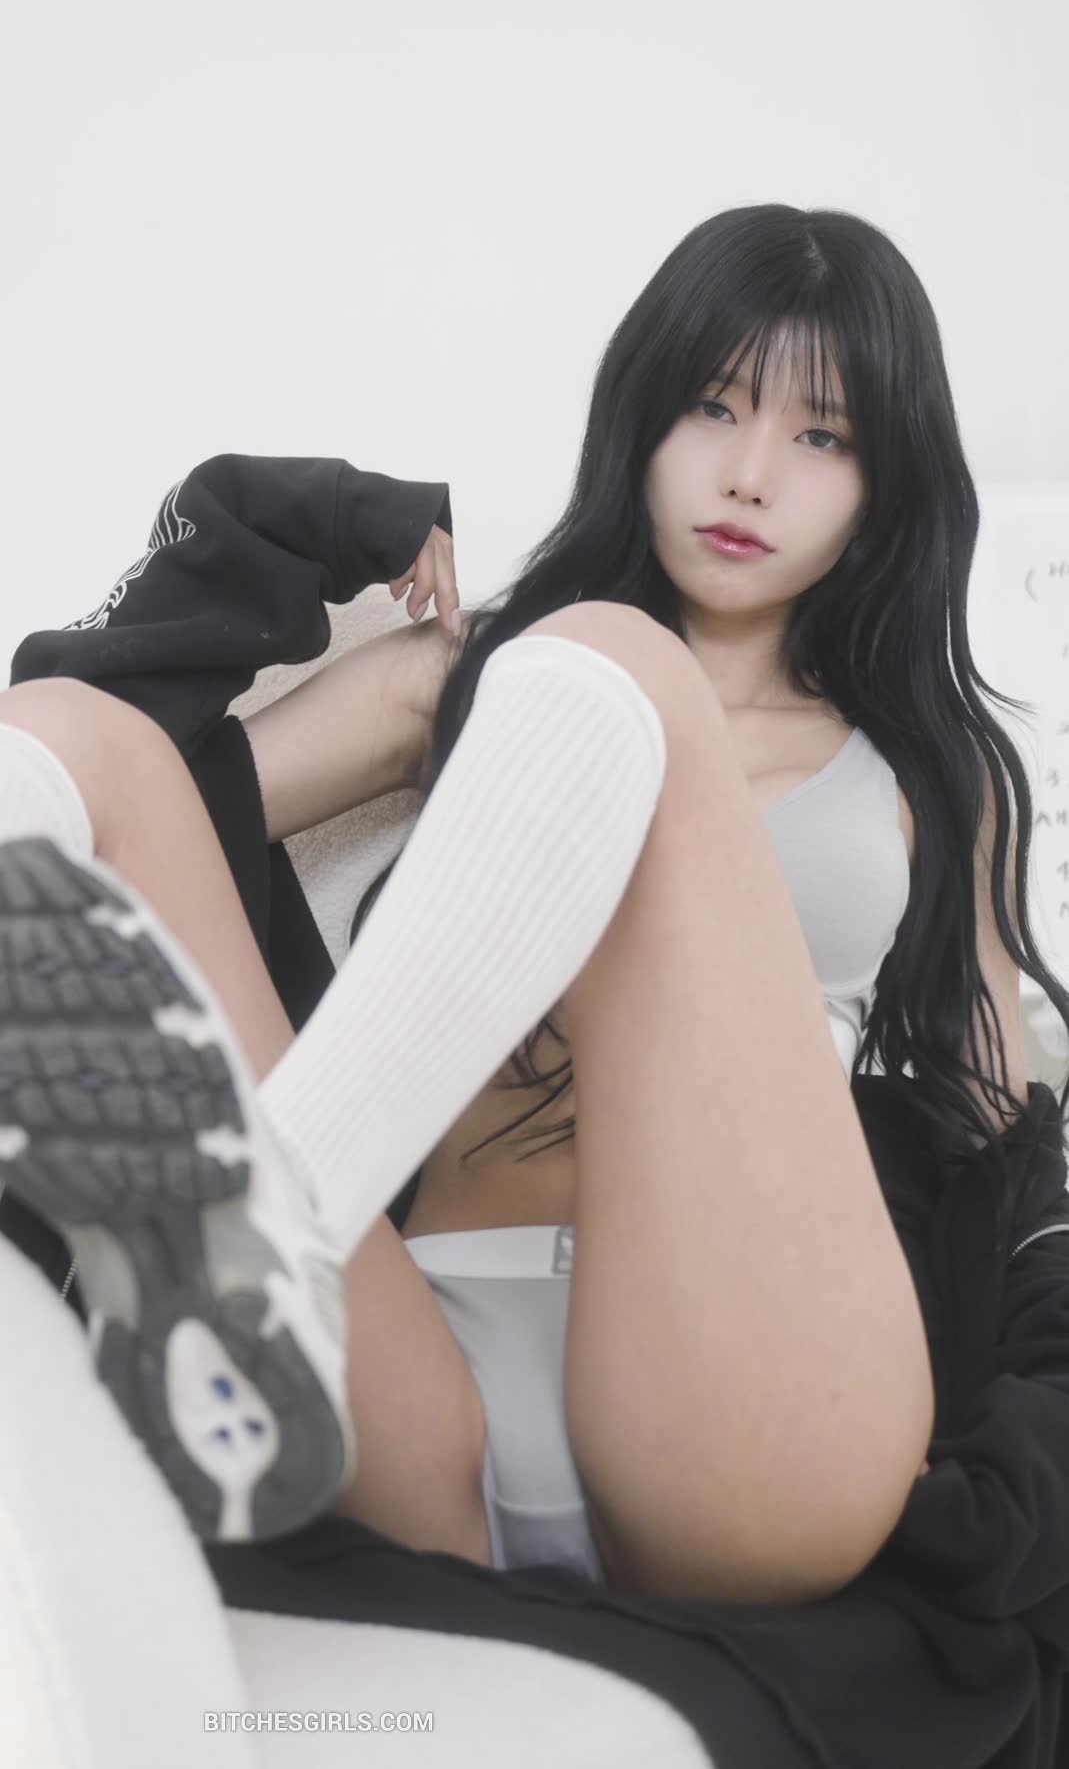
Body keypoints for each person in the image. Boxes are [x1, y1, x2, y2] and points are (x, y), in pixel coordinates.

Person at [3, 202, 1069, 1768]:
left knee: (614, 671)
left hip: (744, 1403)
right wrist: (319, 531)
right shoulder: (468, 687)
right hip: (415, 1381)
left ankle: (269, 1218)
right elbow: (165, 798)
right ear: (641, 418)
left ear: (883, 478)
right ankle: (261, 1252)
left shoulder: (928, 772)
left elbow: (1001, 1128)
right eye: (710, 406)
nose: (748, 474)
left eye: (819, 435)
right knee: (70, 745)